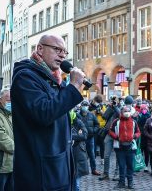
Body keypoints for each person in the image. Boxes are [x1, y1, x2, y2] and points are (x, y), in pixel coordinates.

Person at [11, 35, 85, 190]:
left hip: (57, 168)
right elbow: (44, 113)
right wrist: (72, 87)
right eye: (57, 49)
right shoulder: (25, 77)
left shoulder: (53, 80)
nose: (63, 55)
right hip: (40, 172)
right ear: (40, 48)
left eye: (64, 51)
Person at [109, 106, 141, 189]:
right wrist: (116, 137)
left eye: (128, 111)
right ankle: (121, 182)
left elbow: (138, 132)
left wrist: (135, 136)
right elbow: (110, 131)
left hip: (131, 147)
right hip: (120, 147)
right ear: (121, 112)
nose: (127, 112)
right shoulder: (116, 121)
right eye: (125, 111)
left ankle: (130, 182)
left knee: (130, 165)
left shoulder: (134, 122)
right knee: (121, 165)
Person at [77, 101, 100, 175]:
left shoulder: (91, 115)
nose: (85, 107)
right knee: (80, 155)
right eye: (84, 105)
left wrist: (93, 131)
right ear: (81, 106)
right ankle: (81, 170)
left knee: (92, 155)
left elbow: (97, 124)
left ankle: (94, 169)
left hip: (90, 138)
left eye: (86, 105)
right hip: (81, 139)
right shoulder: (77, 115)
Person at [70, 110, 89, 191]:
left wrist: (71, 136)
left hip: (78, 152)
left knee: (76, 181)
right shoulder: (62, 122)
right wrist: (78, 135)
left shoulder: (78, 121)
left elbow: (84, 135)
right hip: (67, 153)